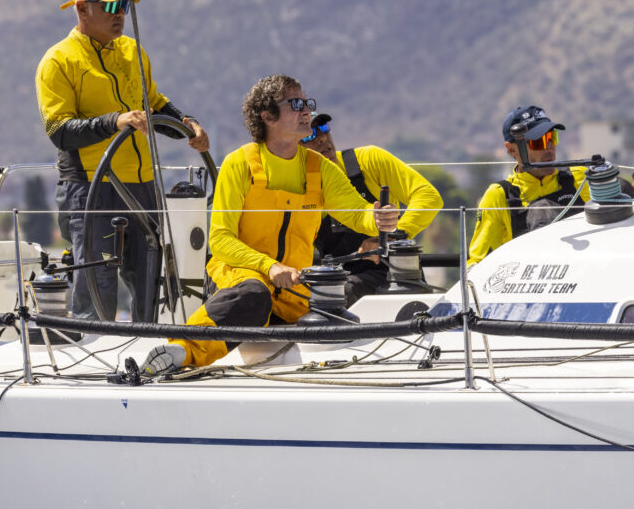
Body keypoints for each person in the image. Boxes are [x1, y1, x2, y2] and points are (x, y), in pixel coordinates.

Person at [140, 75, 398, 374]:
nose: (307, 112)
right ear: (267, 115)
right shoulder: (240, 163)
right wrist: (269, 267)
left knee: (338, 300)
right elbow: (220, 240)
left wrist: (378, 218)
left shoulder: (320, 168)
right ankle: (181, 351)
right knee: (254, 294)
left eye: (308, 104)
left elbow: (357, 213)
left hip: (294, 287)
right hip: (240, 276)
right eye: (296, 104)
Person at [35, 0, 210, 321]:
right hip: (89, 188)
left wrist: (187, 124)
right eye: (112, 6)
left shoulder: (133, 50)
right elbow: (59, 131)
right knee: (96, 287)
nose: (121, 15)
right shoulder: (58, 61)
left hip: (143, 186)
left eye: (125, 6)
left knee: (151, 280)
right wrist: (114, 121)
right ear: (82, 9)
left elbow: (155, 104)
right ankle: (96, 359)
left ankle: (151, 355)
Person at [304, 113, 443, 304]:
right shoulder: (296, 185)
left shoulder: (368, 160)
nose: (322, 137)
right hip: (328, 277)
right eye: (310, 134)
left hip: (389, 275)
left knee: (340, 292)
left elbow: (428, 196)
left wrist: (391, 238)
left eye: (324, 129)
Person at [468, 105, 591, 265]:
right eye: (538, 142)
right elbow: (478, 263)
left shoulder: (580, 177)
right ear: (512, 149)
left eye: (552, 138)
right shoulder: (499, 196)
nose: (549, 148)